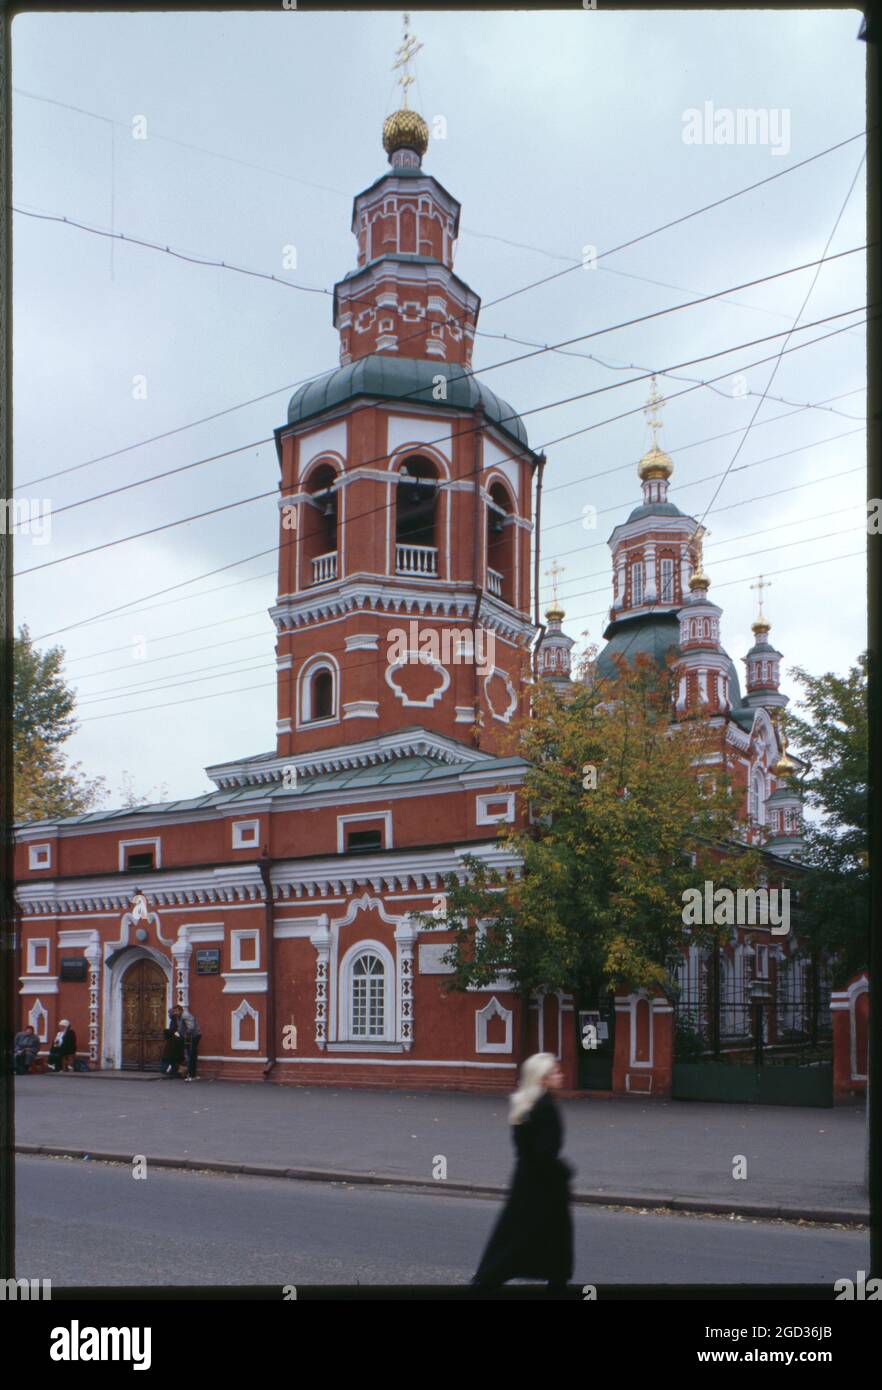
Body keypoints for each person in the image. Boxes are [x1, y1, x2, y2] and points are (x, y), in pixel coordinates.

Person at [472, 1052, 574, 1292]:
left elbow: (525, 1149)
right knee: (549, 1240)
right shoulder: (546, 1107)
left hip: (525, 1182)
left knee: (515, 1236)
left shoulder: (523, 1105)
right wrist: (563, 1172)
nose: (561, 1075)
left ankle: (489, 1278)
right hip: (544, 1187)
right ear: (542, 1079)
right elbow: (544, 1153)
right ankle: (490, 1281)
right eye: (555, 1073)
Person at [180, 1008, 202, 1081]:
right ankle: (193, 1075)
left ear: (180, 1010)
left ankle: (190, 1075)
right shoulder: (183, 1016)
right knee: (192, 1055)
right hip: (194, 1036)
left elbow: (190, 1027)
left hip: (192, 1037)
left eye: (176, 1011)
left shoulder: (185, 1016)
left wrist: (186, 1033)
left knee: (190, 1056)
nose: (174, 1013)